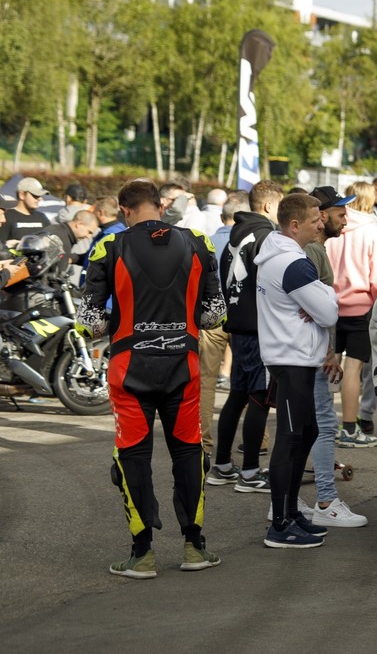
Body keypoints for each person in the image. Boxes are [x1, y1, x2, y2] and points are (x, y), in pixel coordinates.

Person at [80, 179, 226, 577]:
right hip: (183, 364)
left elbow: (89, 323)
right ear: (161, 205)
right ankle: (194, 548)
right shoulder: (198, 241)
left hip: (131, 368)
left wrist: (125, 324)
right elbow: (215, 315)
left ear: (124, 210)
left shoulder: (109, 245)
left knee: (132, 457)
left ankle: (142, 555)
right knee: (188, 452)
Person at [256, 192, 341, 549]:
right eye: (314, 220)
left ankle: (290, 513)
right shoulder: (293, 263)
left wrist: (320, 296)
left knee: (305, 434)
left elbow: (323, 307)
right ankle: (279, 524)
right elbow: (330, 314)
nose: (321, 223)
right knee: (290, 440)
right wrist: (323, 296)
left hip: (294, 358)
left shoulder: (284, 256)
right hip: (291, 359)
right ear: (294, 226)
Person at [209, 181, 285, 493]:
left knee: (238, 395)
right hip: (259, 328)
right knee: (258, 398)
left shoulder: (234, 237)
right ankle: (251, 471)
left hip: (238, 324)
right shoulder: (267, 237)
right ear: (269, 206)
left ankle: (223, 464)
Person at [327, 181, 377, 449]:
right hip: (361, 308)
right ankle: (349, 429)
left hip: (328, 306)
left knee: (328, 366)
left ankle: (325, 423)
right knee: (353, 370)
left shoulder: (331, 227)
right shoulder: (373, 232)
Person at [0, 177, 53, 246]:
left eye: (40, 196)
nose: (39, 199)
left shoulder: (42, 217)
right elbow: (2, 248)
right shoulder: (6, 217)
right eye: (35, 195)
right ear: (22, 195)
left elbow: (52, 242)